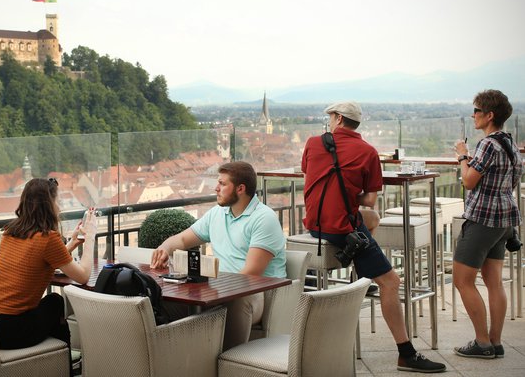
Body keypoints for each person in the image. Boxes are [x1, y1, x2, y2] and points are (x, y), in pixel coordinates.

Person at [301, 101, 446, 373]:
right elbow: (368, 199)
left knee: (373, 220)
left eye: (331, 117)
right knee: (391, 282)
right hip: (341, 228)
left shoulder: (312, 142)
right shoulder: (368, 152)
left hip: (315, 223)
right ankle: (406, 353)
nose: (330, 121)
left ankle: (363, 275)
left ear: (339, 119)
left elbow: (310, 176)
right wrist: (349, 190)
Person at [150, 161, 287, 350]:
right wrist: (165, 248)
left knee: (238, 298)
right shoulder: (217, 214)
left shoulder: (264, 219)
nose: (216, 188)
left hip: (256, 294)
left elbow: (250, 274)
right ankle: (181, 358)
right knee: (159, 300)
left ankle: (227, 361)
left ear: (240, 189)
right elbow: (182, 239)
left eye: (222, 184)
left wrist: (212, 289)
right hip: (221, 289)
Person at [0, 177, 96, 371]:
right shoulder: (48, 238)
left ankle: (59, 367)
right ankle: (63, 369)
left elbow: (37, 260)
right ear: (49, 205)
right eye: (57, 202)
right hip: (13, 331)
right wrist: (90, 239)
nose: (59, 207)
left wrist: (70, 244)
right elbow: (83, 276)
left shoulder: (9, 232)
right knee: (54, 301)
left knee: (50, 305)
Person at [452, 90, 522, 359]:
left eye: (477, 111)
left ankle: (482, 343)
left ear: (489, 115)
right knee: (494, 282)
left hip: (483, 218)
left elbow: (469, 181)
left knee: (462, 279)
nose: (474, 115)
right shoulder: (511, 145)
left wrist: (462, 155)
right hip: (504, 219)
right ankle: (496, 341)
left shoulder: (488, 145)